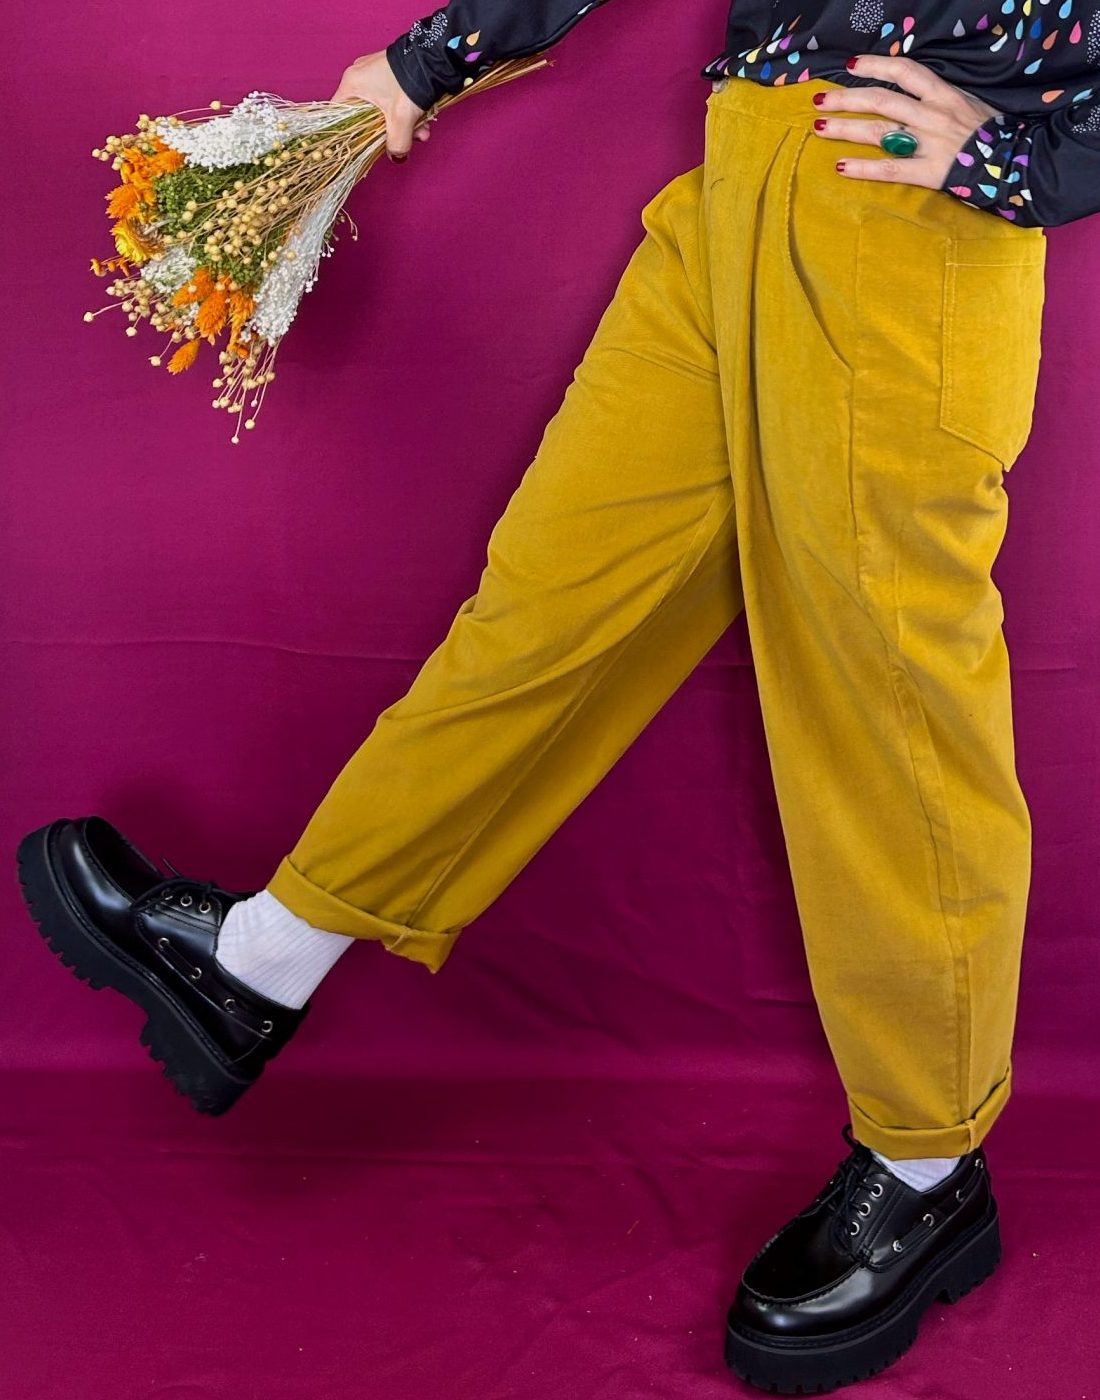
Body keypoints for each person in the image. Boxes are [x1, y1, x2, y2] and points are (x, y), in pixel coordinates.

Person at [16, 1, 1099, 1391]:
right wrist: (430, 61)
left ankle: (928, 1164)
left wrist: (1029, 159)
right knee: (552, 610)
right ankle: (262, 962)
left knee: (883, 696)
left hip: (908, 219)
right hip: (742, 162)